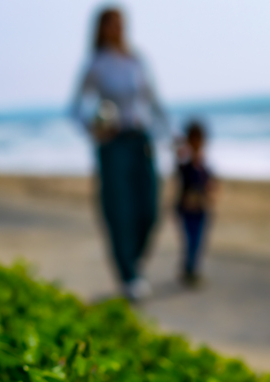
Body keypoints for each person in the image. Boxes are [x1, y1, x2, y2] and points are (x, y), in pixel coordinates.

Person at [71, 7, 169, 302]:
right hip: (113, 145)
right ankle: (128, 275)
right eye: (111, 24)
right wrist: (93, 128)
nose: (117, 29)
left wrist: (170, 135)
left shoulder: (137, 60)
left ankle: (134, 263)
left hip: (142, 140)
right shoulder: (96, 64)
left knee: (149, 209)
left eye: (120, 23)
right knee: (119, 212)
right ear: (100, 28)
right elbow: (76, 108)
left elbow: (153, 101)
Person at [175, 120, 214, 286]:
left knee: (198, 242)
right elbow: (181, 172)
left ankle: (192, 269)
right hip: (187, 209)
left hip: (201, 209)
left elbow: (209, 183)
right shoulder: (186, 163)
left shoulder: (203, 164)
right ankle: (189, 270)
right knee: (191, 241)